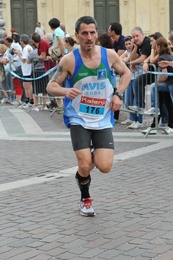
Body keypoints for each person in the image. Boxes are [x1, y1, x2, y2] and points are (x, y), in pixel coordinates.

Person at [46, 16, 131, 216]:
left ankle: (83, 168)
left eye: (92, 32)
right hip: (78, 117)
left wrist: (118, 94)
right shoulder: (69, 60)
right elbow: (51, 86)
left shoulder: (108, 55)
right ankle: (85, 199)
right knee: (85, 163)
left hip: (102, 117)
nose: (89, 37)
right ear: (77, 36)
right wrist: (65, 92)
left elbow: (126, 73)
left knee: (104, 166)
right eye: (84, 33)